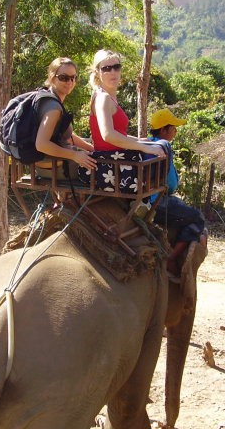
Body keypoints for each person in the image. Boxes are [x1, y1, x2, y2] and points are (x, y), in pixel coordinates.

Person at [79, 49, 165, 192]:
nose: (112, 72)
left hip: (117, 159)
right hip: (111, 165)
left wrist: (139, 141)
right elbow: (108, 135)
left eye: (116, 67)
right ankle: (150, 200)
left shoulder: (108, 96)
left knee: (161, 144)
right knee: (161, 148)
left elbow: (117, 133)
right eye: (106, 68)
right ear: (97, 72)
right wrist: (145, 147)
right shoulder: (103, 98)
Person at [148, 108, 206, 276]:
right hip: (158, 201)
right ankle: (171, 258)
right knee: (197, 218)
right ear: (163, 130)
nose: (175, 130)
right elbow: (170, 183)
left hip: (153, 198)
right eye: (173, 127)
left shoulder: (148, 143)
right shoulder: (163, 147)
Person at [35, 57, 96, 178]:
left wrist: (91, 148)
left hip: (50, 163)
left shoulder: (50, 97)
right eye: (64, 78)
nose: (70, 82)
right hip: (51, 166)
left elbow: (66, 136)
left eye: (73, 78)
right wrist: (75, 155)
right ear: (52, 78)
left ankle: (68, 197)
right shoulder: (53, 108)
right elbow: (41, 144)